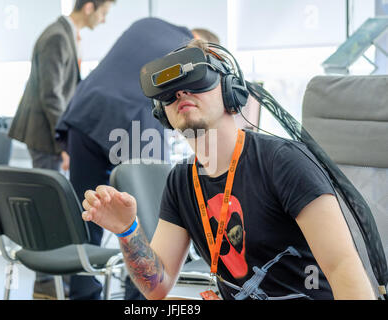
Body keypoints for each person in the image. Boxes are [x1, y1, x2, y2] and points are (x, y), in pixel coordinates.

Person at [80, 39, 376, 300]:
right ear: (162, 113)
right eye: (169, 92)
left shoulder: (282, 162)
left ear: (231, 90)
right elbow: (157, 286)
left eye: (197, 81)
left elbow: (343, 268)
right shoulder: (181, 182)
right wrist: (127, 230)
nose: (181, 93)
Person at [55, 17, 199, 300]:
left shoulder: (146, 24)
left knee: (89, 212)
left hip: (86, 112)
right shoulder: (189, 47)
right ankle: (138, 298)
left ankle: (83, 295)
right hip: (131, 118)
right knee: (146, 218)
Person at [7, 0, 114, 299]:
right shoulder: (57, 35)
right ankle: (47, 284)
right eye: (104, 13)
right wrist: (64, 141)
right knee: (47, 209)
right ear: (91, 7)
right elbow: (51, 96)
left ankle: (56, 282)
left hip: (48, 135)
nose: (104, 20)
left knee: (52, 206)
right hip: (44, 136)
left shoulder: (67, 35)